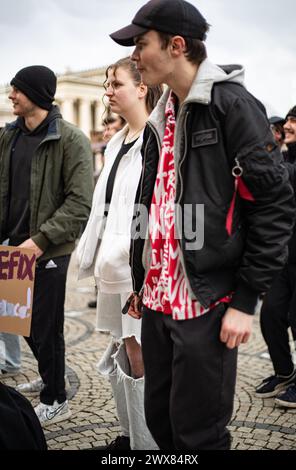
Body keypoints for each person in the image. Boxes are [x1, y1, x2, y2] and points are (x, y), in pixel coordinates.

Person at [110, 0, 295, 450]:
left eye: (141, 43)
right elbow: (152, 202)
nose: (135, 55)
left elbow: (274, 204)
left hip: (207, 301)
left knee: (199, 434)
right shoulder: (161, 113)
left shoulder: (230, 104)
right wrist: (142, 275)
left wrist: (245, 300)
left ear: (176, 46)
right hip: (156, 300)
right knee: (162, 422)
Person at [0, 65, 93, 426]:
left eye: (17, 91)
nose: (11, 96)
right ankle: (50, 371)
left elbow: (79, 203)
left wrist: (37, 243)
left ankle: (55, 397)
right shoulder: (9, 136)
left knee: (45, 326)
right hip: (12, 248)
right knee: (19, 324)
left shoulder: (71, 139)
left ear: (36, 94)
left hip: (49, 250)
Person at [77, 57, 162, 450]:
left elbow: (152, 210)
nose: (107, 91)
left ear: (142, 88)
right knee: (122, 348)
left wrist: (144, 276)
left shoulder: (153, 140)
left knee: (140, 350)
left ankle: (147, 445)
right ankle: (130, 435)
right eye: (106, 84)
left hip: (136, 271)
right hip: (112, 266)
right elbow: (106, 208)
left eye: (116, 84)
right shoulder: (116, 142)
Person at [256, 104, 296, 407]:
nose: (288, 124)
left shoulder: (288, 163)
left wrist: (266, 147)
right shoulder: (285, 156)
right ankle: (284, 372)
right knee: (270, 314)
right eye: (287, 119)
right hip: (284, 257)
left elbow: (290, 177)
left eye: (295, 120)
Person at [87, 114, 125, 309]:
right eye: (106, 129)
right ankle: (100, 295)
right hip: (103, 218)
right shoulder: (106, 152)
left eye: (111, 129)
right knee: (99, 261)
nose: (107, 133)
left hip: (119, 222)